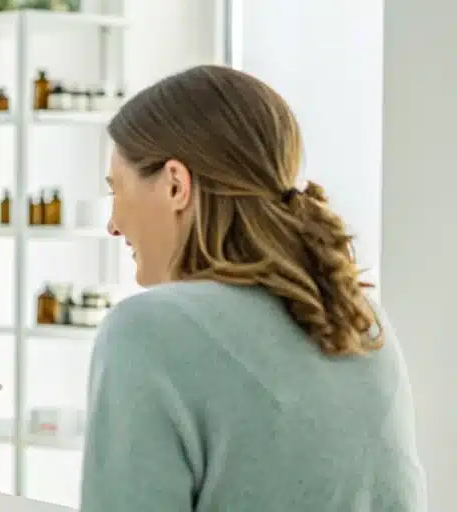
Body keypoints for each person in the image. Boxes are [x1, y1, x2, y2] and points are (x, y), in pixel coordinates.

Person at [79, 65, 426, 511]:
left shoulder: (147, 330)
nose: (113, 224)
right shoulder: (359, 321)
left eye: (117, 191)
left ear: (175, 185)